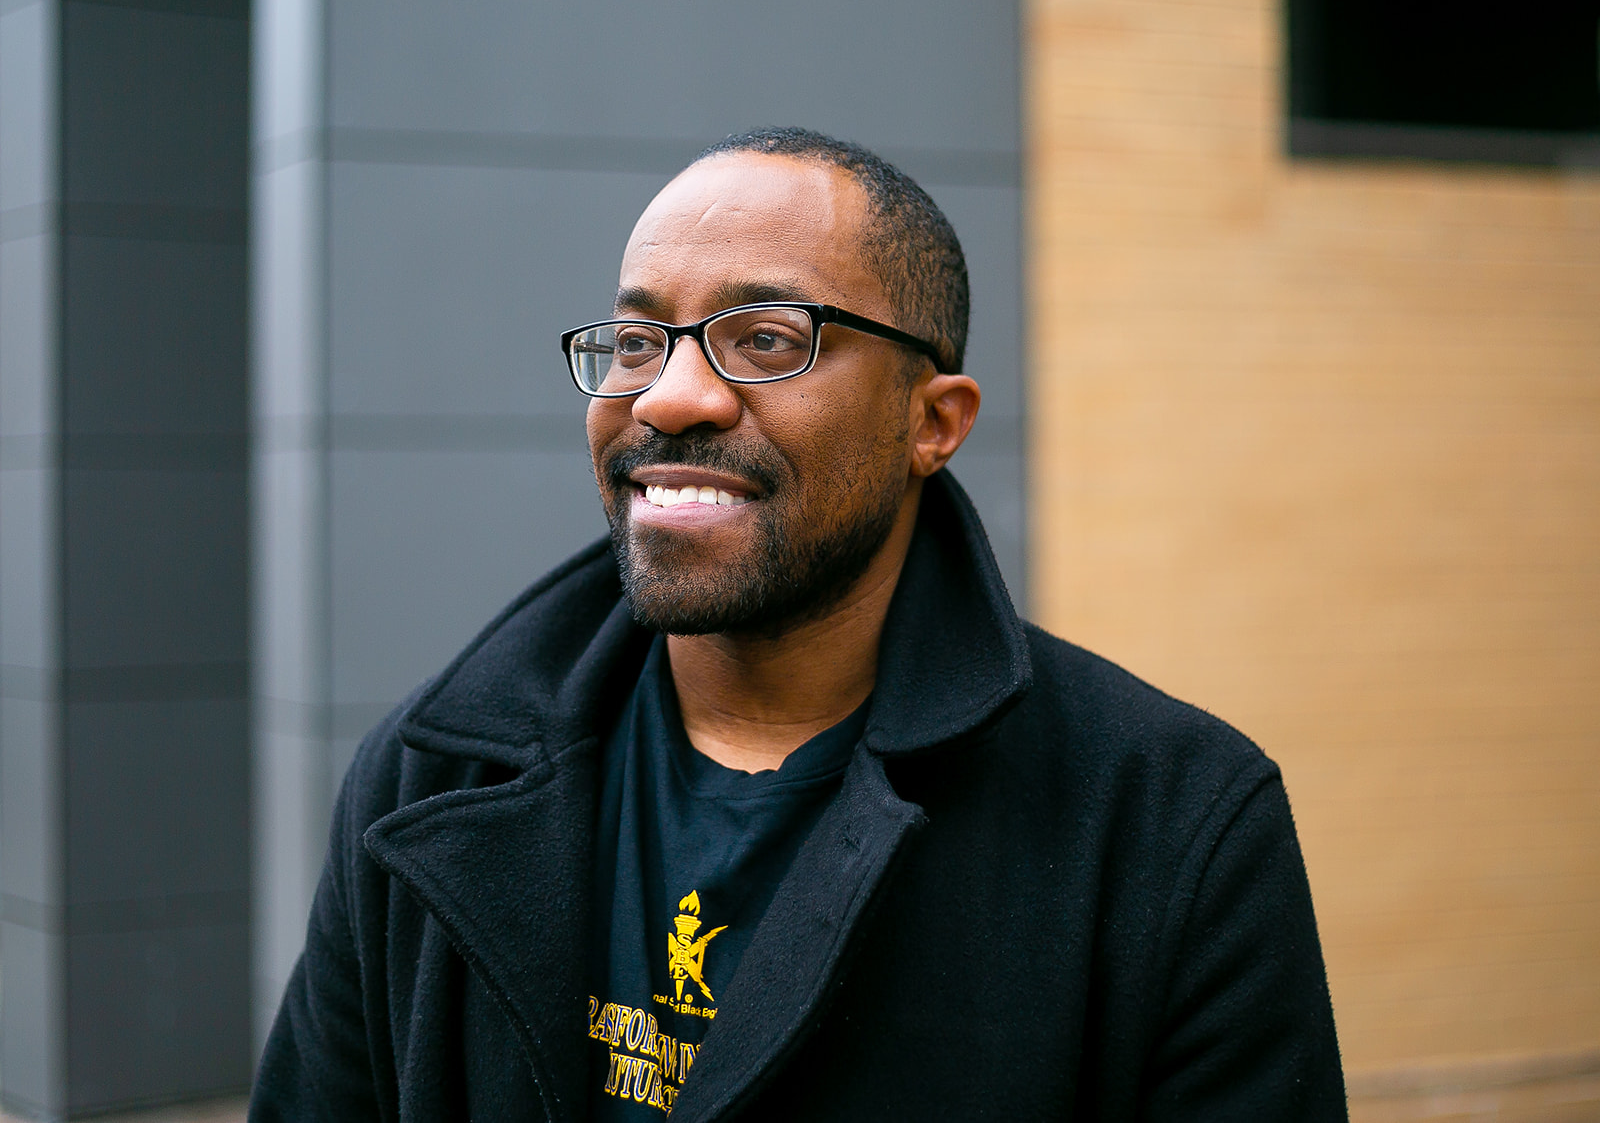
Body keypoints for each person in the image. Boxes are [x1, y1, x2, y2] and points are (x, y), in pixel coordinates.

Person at [250, 128, 1346, 1121]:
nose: (669, 395)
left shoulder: (1169, 822)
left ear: (932, 421)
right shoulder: (429, 776)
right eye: (637, 340)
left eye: (766, 338)